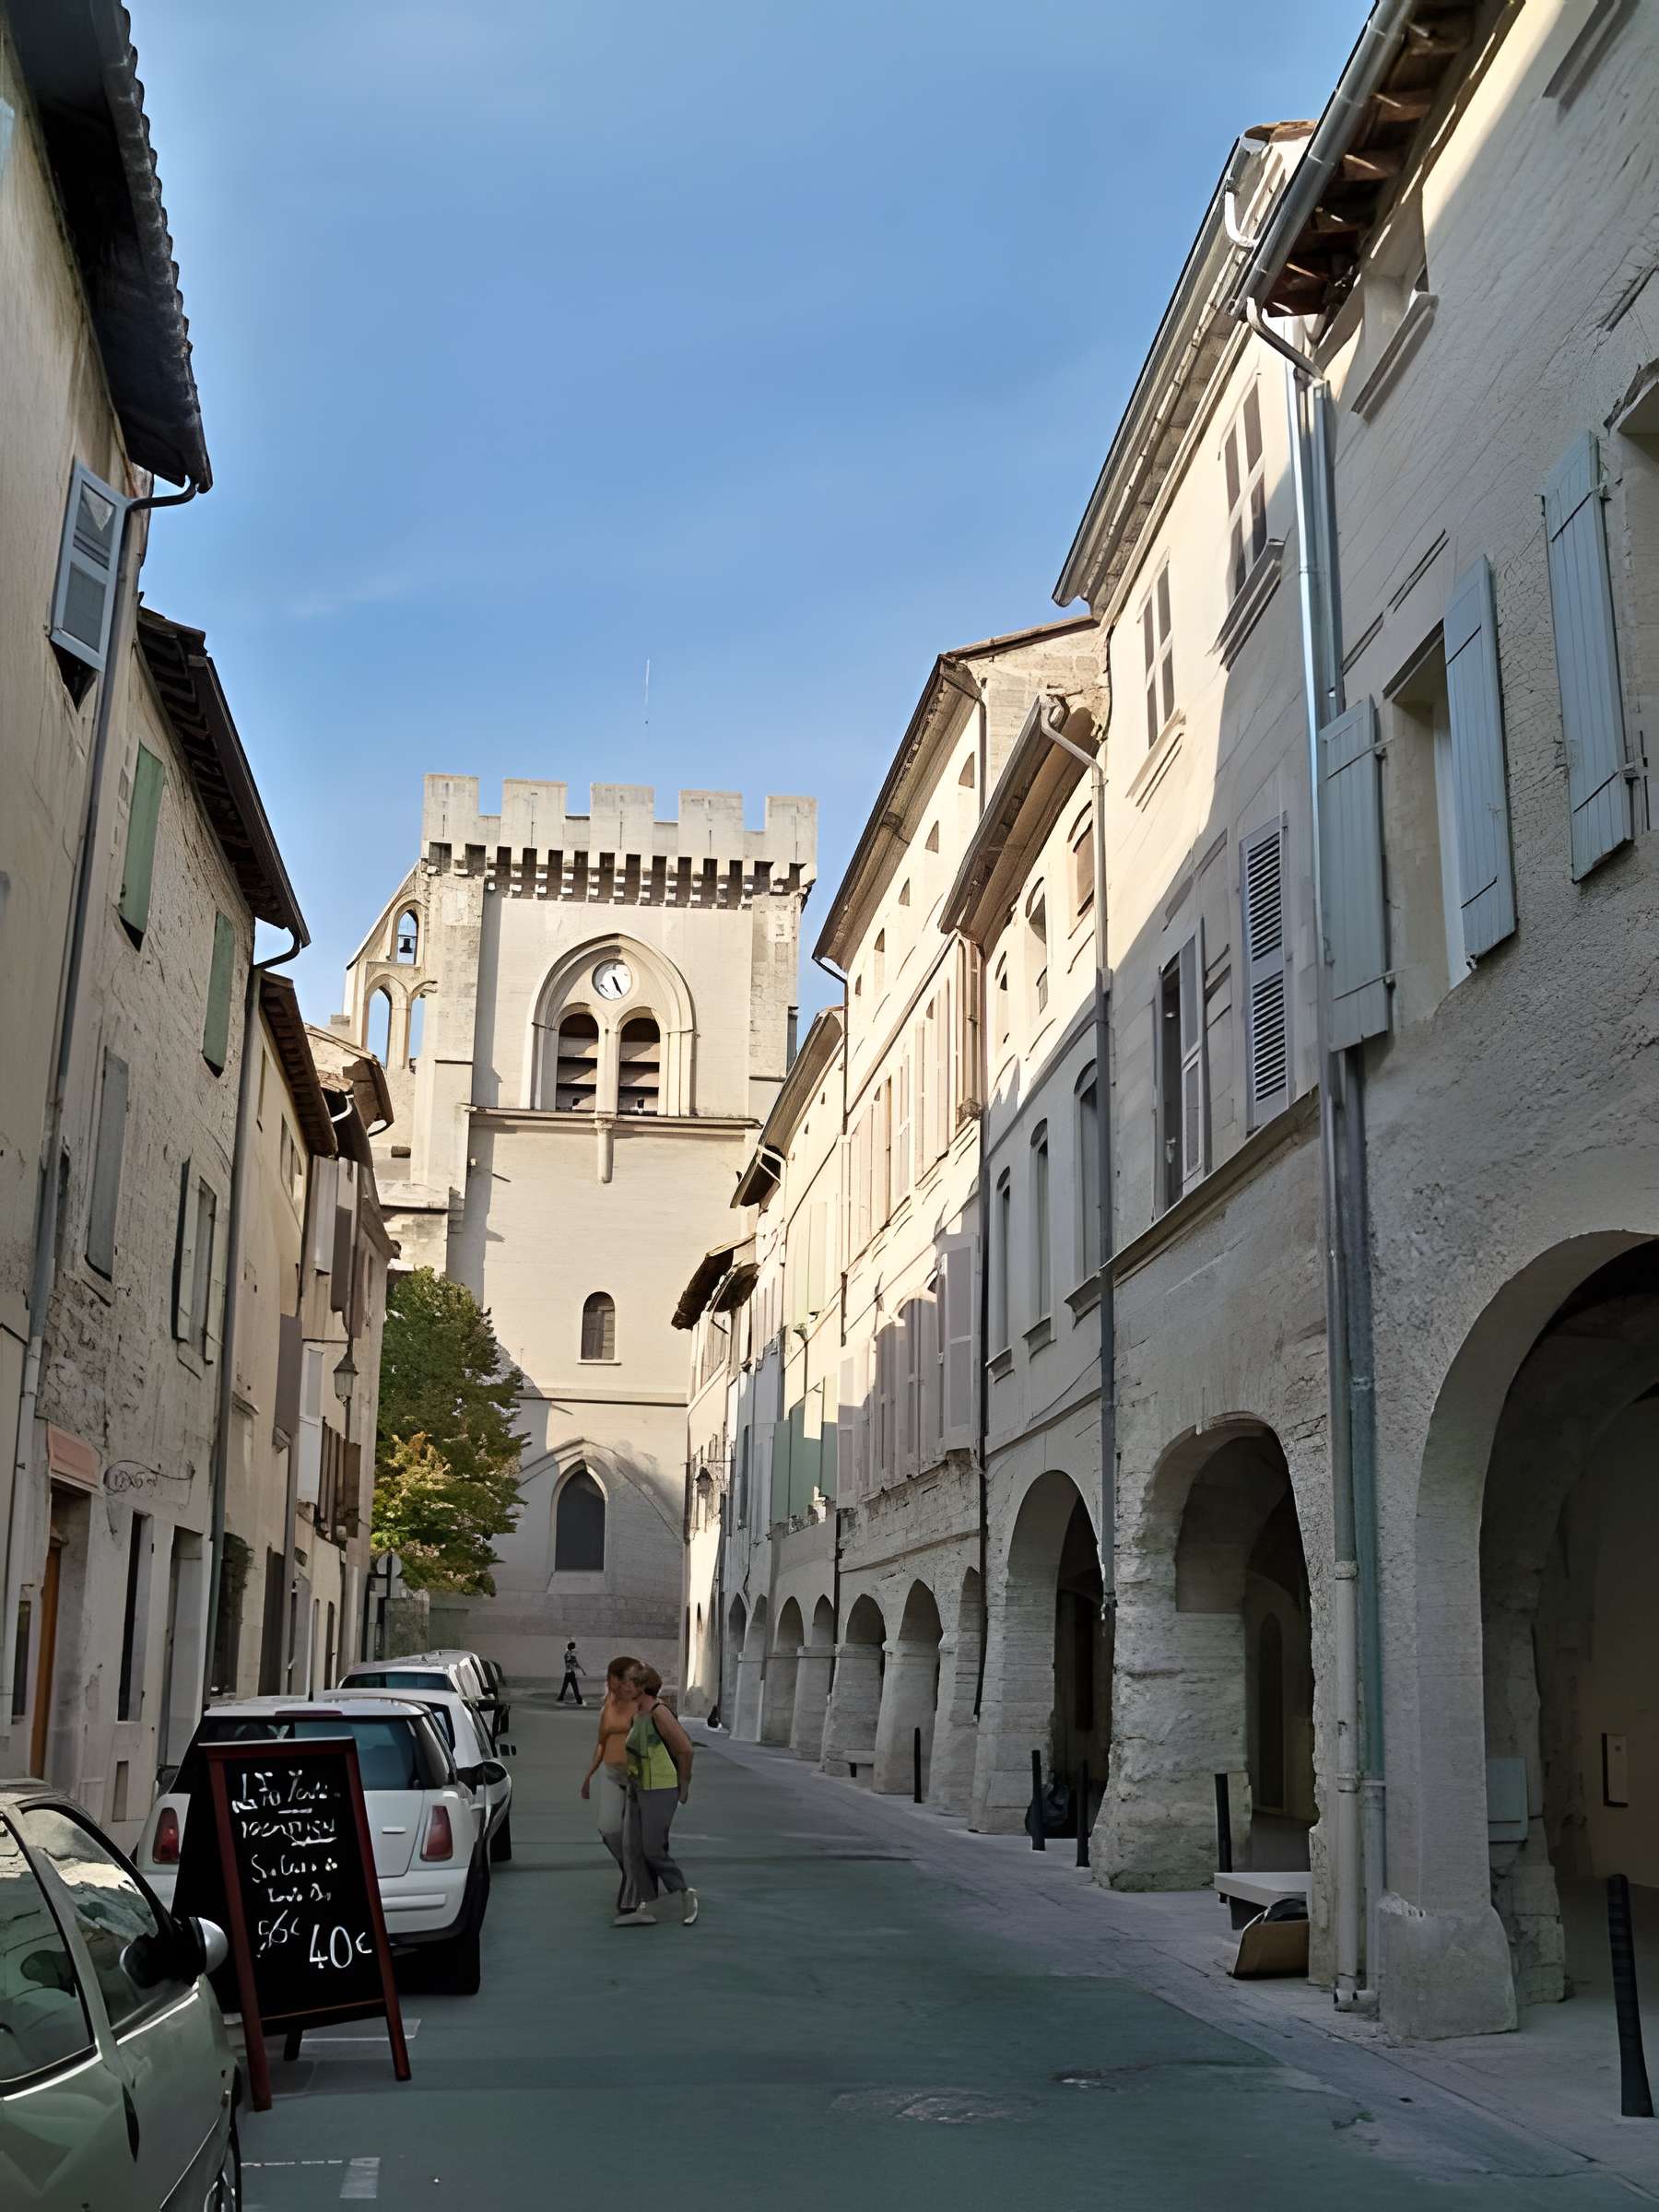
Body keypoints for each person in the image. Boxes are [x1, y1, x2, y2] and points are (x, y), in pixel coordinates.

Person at [614, 1663, 698, 1928]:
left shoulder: (659, 1713)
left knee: (653, 1849)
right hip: (638, 1789)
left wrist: (683, 1785)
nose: (622, 1687)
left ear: (641, 1687)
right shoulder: (638, 1713)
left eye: (628, 1683)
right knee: (636, 1850)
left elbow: (685, 1750)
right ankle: (648, 1906)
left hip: (661, 1788)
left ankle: (685, 1894)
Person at [579, 1655, 641, 1905]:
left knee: (632, 1837)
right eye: (618, 1679)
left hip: (639, 1777)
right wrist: (588, 1776)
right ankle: (633, 1871)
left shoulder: (644, 1705)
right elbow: (602, 1742)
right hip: (611, 1773)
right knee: (608, 1829)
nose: (621, 1684)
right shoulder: (607, 1705)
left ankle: (635, 1888)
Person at [557, 1641, 584, 1705]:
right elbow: (574, 1663)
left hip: (567, 1673)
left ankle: (561, 1698)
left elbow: (571, 1662)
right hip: (571, 1673)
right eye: (574, 1646)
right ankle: (579, 1700)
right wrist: (581, 1670)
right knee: (575, 1687)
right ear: (572, 1647)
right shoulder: (571, 1654)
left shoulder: (567, 1654)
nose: (575, 1647)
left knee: (565, 1687)